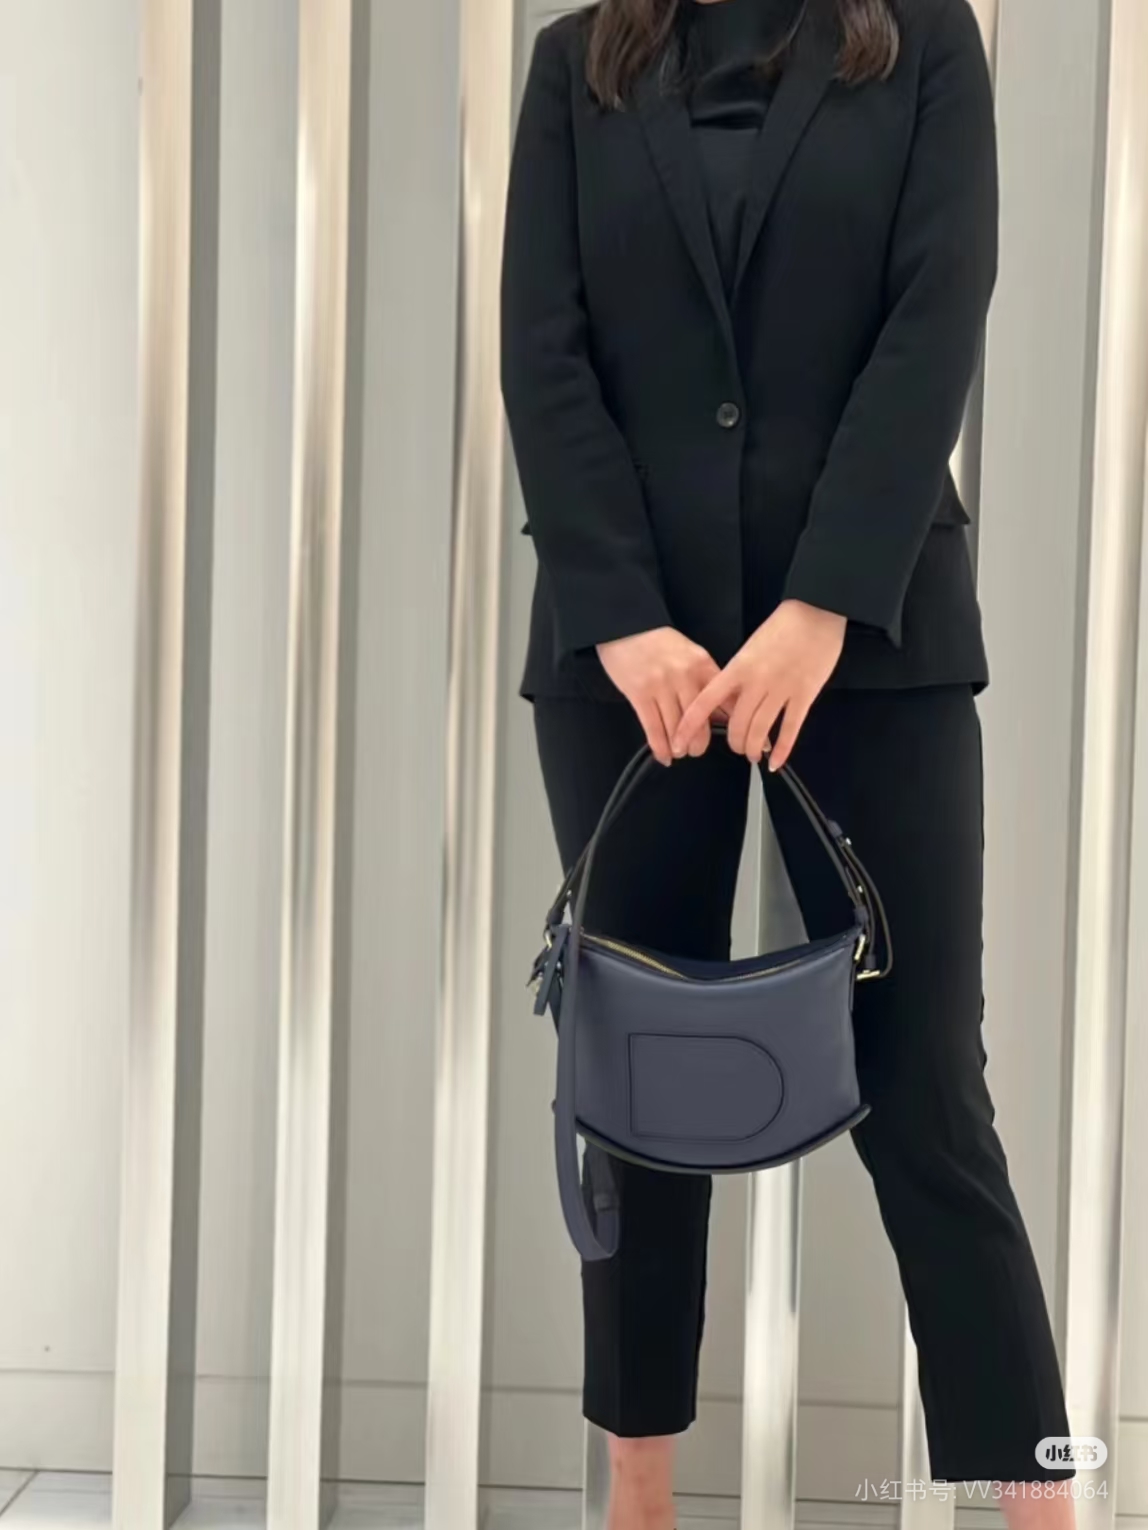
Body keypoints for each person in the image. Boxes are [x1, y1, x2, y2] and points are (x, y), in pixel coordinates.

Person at [499, 1, 1077, 1528]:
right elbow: (542, 351)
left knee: (926, 1087)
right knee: (636, 1081)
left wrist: (820, 605)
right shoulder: (575, 63)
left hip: (870, 639)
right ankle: (637, 1503)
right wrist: (625, 619)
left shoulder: (927, 41)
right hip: (634, 666)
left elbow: (938, 312)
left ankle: (1040, 1504)